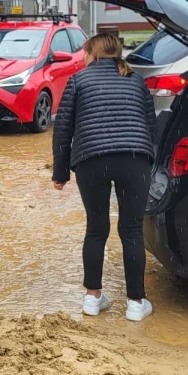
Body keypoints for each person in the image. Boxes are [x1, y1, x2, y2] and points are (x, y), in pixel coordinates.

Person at [52, 33, 158, 322]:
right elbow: (151, 127)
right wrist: (153, 163)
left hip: (91, 159)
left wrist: (60, 173)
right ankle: (136, 303)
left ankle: (92, 297)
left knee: (96, 228)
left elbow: (63, 130)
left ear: (92, 53)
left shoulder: (78, 80)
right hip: (134, 158)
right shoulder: (135, 80)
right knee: (132, 230)